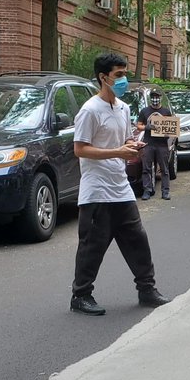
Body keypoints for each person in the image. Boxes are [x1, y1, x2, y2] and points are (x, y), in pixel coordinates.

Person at [70, 52, 168, 315]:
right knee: (93, 245)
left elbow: (124, 142)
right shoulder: (89, 110)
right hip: (97, 190)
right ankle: (81, 295)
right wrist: (117, 152)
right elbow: (80, 149)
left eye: (125, 73)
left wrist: (133, 146)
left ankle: (147, 289)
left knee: (138, 240)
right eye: (119, 75)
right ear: (104, 77)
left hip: (120, 187)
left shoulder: (123, 108)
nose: (124, 79)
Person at [137, 88, 173, 200]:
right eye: (153, 96)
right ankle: (147, 190)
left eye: (157, 96)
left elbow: (172, 126)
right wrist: (146, 127)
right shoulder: (144, 111)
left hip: (162, 144)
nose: (155, 99)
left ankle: (165, 191)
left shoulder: (166, 112)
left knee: (164, 169)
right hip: (148, 143)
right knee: (146, 168)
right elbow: (138, 126)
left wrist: (168, 133)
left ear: (160, 97)